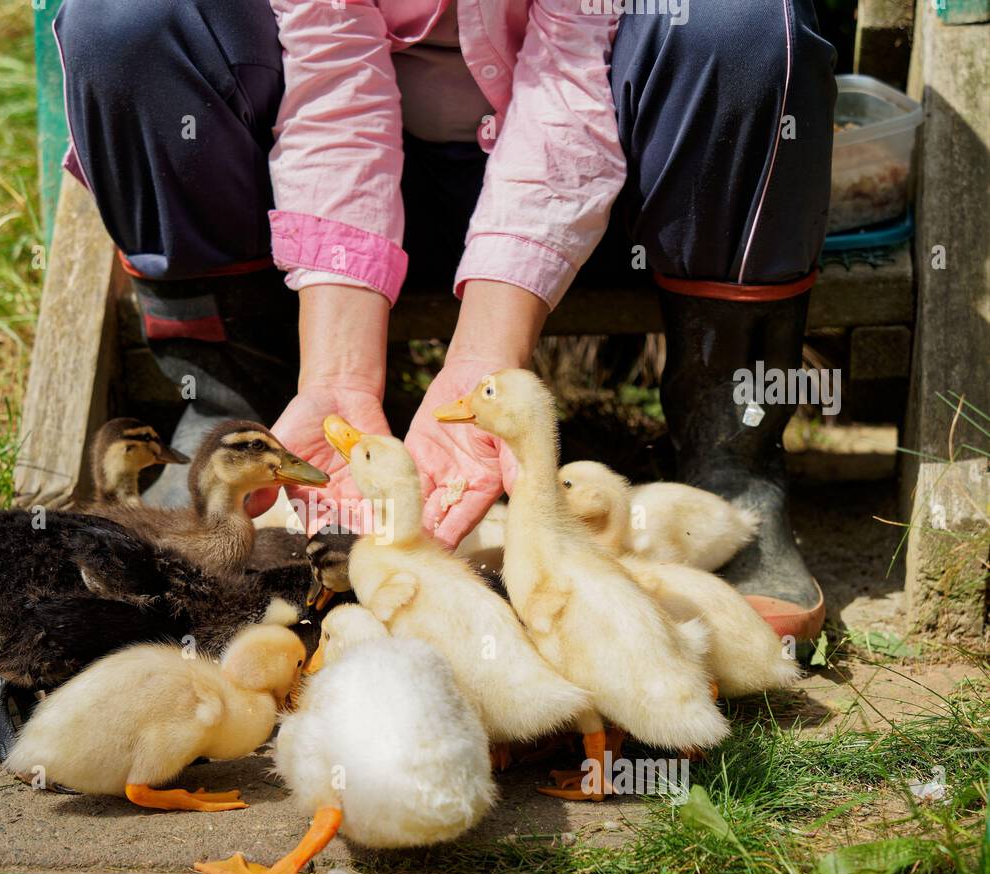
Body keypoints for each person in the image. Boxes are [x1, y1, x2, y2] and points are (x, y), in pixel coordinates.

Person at [53, 0, 836, 640]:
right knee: (127, 21)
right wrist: (336, 373)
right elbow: (329, 73)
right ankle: (230, 409)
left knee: (735, 22)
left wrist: (485, 364)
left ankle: (729, 456)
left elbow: (568, 86)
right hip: (309, 194)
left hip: (611, 183)